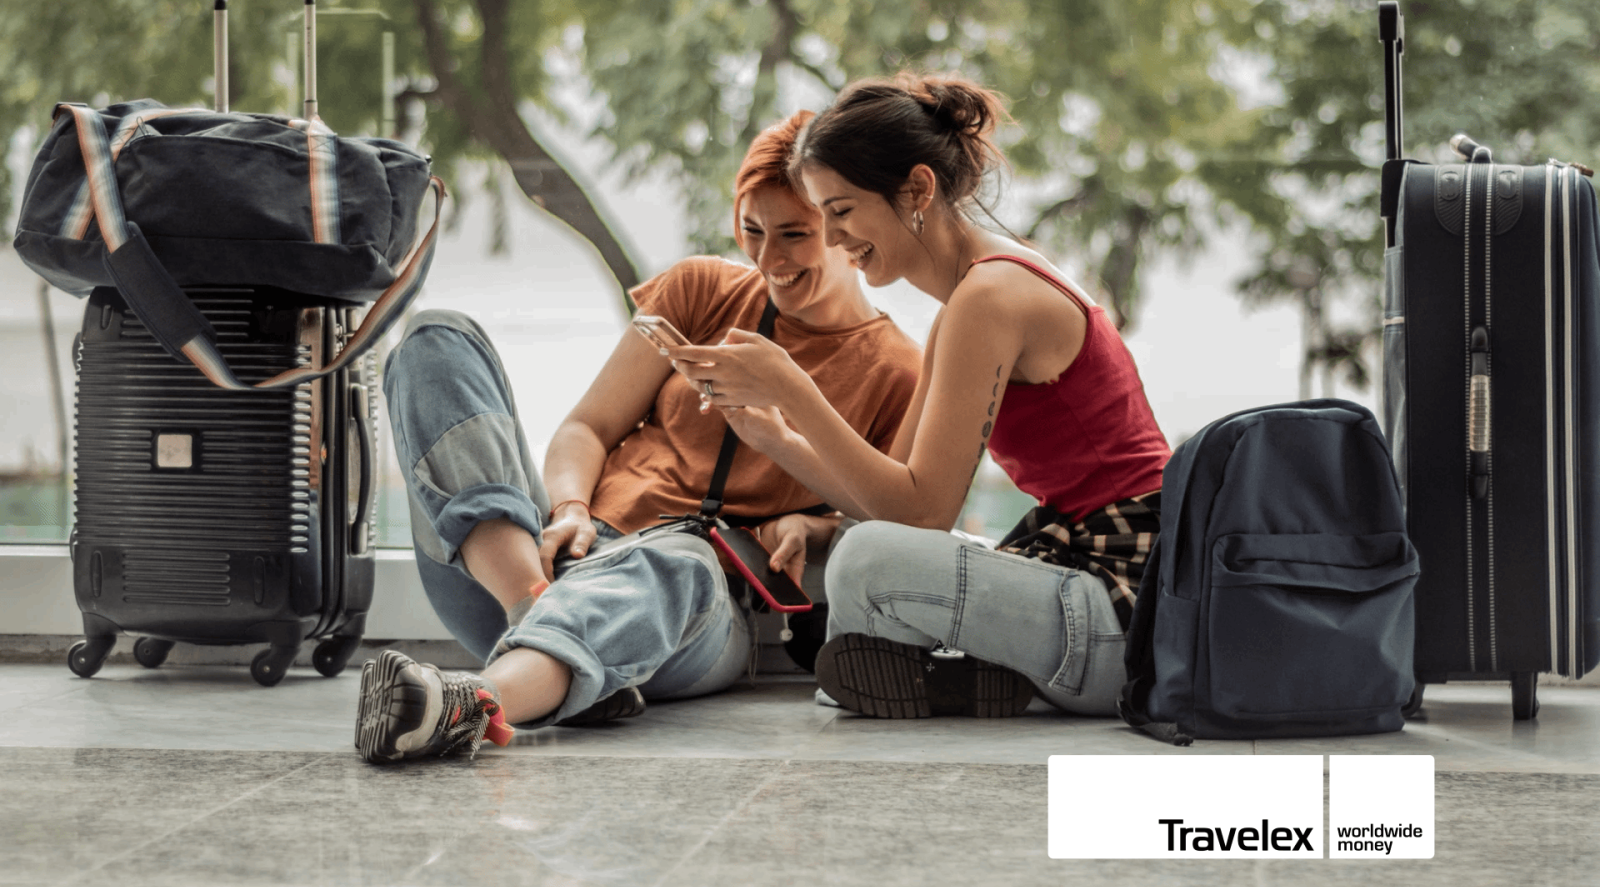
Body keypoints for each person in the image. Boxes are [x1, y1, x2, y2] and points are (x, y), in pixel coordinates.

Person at [355, 111, 923, 763]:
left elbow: (893, 524)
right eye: (753, 230)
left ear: (849, 231)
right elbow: (587, 428)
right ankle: (532, 612)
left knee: (679, 559)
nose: (768, 260)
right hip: (529, 565)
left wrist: (815, 525)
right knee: (435, 338)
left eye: (794, 235)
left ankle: (468, 704)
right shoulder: (700, 291)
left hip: (687, 609)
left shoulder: (897, 371)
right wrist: (567, 510)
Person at [668, 74, 1170, 719]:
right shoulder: (968, 301)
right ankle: (944, 676)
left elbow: (922, 516)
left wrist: (795, 389)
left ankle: (927, 673)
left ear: (917, 190)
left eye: (842, 211)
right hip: (1094, 593)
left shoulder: (990, 297)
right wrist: (775, 437)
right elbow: (886, 503)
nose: (832, 238)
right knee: (859, 547)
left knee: (867, 560)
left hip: (1128, 613)